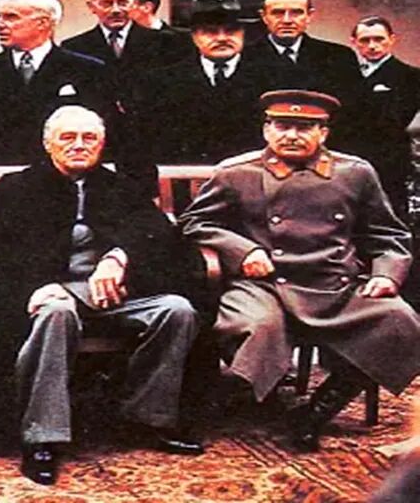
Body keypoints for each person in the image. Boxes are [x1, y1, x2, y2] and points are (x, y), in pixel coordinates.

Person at [0, 105, 205, 485]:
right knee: (56, 313)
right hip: (49, 294)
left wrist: (119, 257)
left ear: (102, 144)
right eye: (68, 137)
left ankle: (147, 418)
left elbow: (158, 234)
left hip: (114, 294)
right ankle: (42, 437)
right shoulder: (15, 189)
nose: (79, 145)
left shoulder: (120, 186)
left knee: (176, 310)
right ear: (48, 143)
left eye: (89, 138)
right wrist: (38, 285)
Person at [179, 89, 420, 451]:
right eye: (283, 126)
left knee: (399, 321)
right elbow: (193, 223)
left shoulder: (355, 172)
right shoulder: (236, 172)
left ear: (324, 133)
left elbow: (387, 233)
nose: (292, 135)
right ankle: (250, 403)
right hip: (264, 284)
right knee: (257, 325)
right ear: (267, 129)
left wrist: (386, 273)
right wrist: (243, 250)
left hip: (335, 282)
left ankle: (317, 411)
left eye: (305, 127)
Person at [124, 0, 273, 202]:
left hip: (254, 188)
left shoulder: (272, 77)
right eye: (210, 32)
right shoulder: (161, 82)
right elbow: (145, 141)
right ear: (194, 36)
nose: (222, 38)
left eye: (231, 31)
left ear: (243, 34)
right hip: (182, 189)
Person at [0, 0, 115, 166]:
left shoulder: (88, 70)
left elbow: (103, 133)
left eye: (11, 17)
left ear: (42, 23)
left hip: (60, 175)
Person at [331, 15, 420, 217]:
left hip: (387, 159)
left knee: (388, 215)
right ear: (354, 42)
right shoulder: (341, 75)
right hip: (347, 157)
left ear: (392, 39)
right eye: (365, 40)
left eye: (379, 39)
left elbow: (395, 120)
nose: (372, 46)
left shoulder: (411, 76)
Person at [62, 0, 189, 101]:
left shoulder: (164, 42)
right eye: (107, 3)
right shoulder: (74, 48)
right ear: (91, 7)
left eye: (122, 2)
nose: (116, 10)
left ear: (134, 3)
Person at [246, 0, 359, 100]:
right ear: (264, 16)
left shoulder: (339, 57)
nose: (287, 20)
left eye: (296, 12)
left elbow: (355, 105)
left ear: (309, 16)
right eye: (278, 13)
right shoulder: (244, 58)